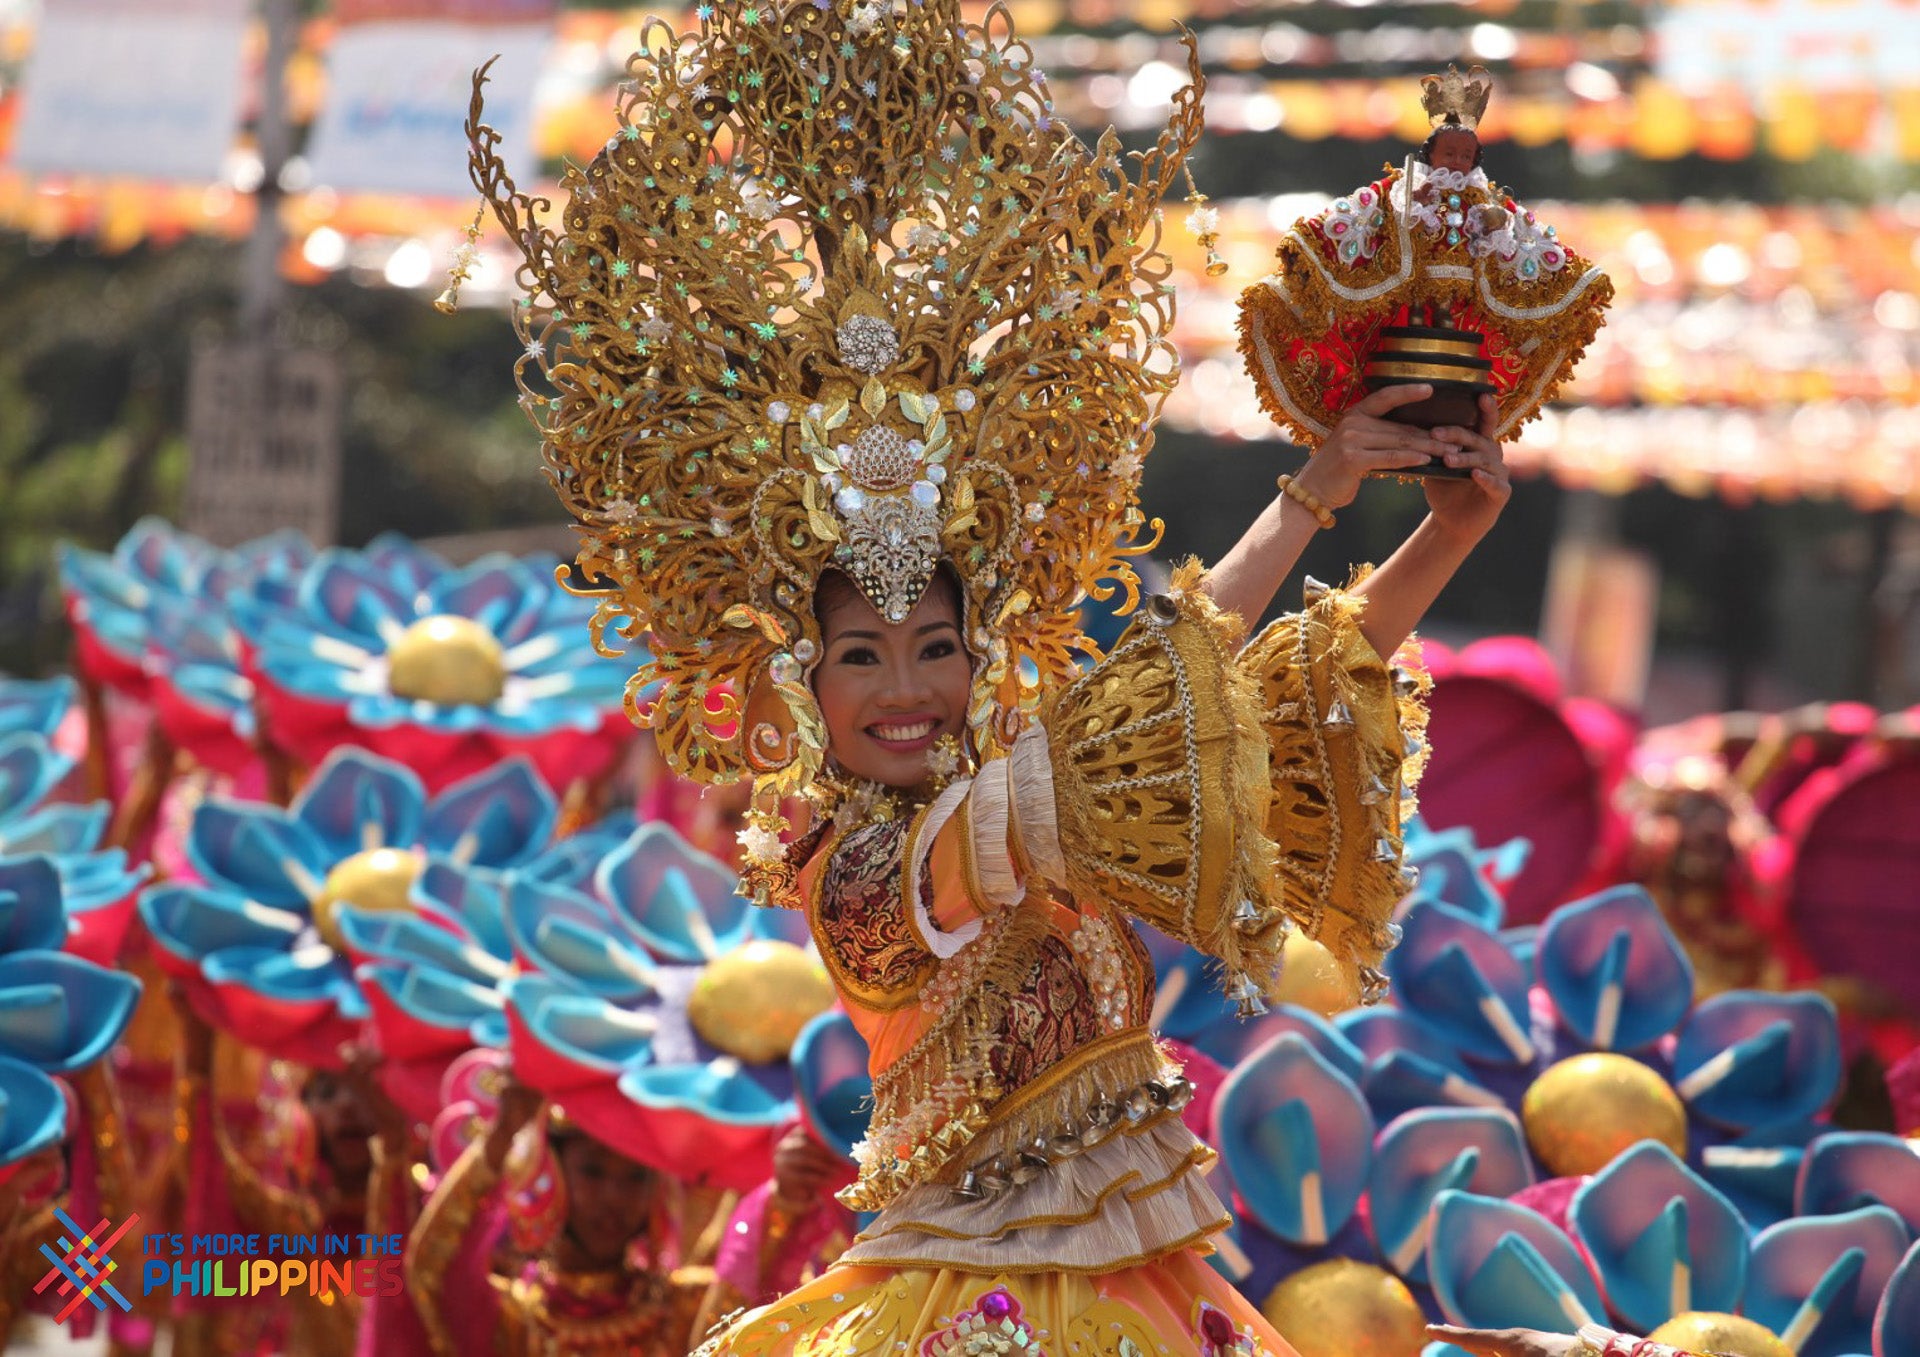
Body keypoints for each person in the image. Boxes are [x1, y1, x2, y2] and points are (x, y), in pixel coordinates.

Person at [456, 2, 1709, 1353]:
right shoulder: (865, 869)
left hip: (1148, 1287)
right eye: (862, 658)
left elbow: (1278, 695)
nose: (906, 688)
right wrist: (1309, 492)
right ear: (798, 687)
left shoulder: (1026, 791)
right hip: (968, 1311)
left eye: (936, 647)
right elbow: (1167, 699)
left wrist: (1438, 533)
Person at [403, 1076, 711, 1356]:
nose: (615, 1196)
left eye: (636, 1176)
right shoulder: (510, 1321)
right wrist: (501, 1137)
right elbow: (435, 1272)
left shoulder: (689, 1310)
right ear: (549, 1172)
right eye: (593, 1171)